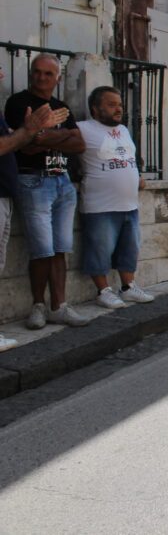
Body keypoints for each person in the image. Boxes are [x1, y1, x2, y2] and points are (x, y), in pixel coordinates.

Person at [5, 54, 89, 329]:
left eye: (47, 74)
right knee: (41, 249)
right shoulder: (18, 103)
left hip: (62, 181)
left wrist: (48, 136)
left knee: (60, 247)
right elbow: (26, 145)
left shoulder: (61, 106)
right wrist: (57, 136)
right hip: (34, 180)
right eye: (36, 72)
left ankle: (59, 306)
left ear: (58, 78)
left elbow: (79, 145)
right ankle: (38, 305)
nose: (41, 77)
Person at [0, 67, 67, 347]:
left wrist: (33, 132)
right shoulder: (17, 101)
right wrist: (30, 131)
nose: (2, 73)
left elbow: (77, 142)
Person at [78, 86, 155, 309]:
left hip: (129, 204)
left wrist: (137, 177)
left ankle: (128, 287)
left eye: (119, 104)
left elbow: (129, 158)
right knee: (99, 249)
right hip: (100, 205)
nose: (118, 108)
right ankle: (103, 291)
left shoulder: (123, 129)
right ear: (95, 108)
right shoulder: (83, 128)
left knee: (129, 249)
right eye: (111, 105)